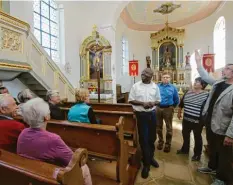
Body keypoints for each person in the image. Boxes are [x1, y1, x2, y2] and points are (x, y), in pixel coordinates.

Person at [17, 98, 92, 185]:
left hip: (31, 173)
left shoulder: (23, 133)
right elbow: (73, 162)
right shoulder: (53, 139)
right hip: (47, 177)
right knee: (84, 167)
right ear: (47, 117)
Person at [195, 50, 233, 185]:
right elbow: (205, 76)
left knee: (225, 154)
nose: (224, 70)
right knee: (213, 147)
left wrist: (230, 134)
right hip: (211, 122)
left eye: (228, 68)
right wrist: (199, 63)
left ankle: (222, 178)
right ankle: (212, 167)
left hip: (224, 126)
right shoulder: (219, 83)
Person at [128, 68, 161, 179]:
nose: (143, 74)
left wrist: (153, 103)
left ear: (151, 76)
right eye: (143, 72)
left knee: (152, 138)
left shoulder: (155, 87)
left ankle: (150, 158)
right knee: (144, 139)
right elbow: (131, 100)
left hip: (152, 114)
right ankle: (146, 164)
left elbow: (158, 100)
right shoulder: (136, 86)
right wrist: (143, 104)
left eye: (146, 73)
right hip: (141, 115)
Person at [176, 77, 208, 161]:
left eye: (197, 82)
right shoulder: (188, 92)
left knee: (197, 137)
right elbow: (181, 104)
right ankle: (185, 150)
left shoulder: (206, 95)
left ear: (202, 85)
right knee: (185, 135)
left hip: (197, 121)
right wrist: (179, 112)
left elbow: (207, 109)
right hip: (186, 119)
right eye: (195, 81)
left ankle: (197, 154)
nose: (195, 82)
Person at [156, 72, 179, 153]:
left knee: (169, 127)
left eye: (167, 77)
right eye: (164, 77)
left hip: (168, 109)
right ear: (161, 78)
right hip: (158, 108)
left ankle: (168, 144)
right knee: (158, 127)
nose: (165, 78)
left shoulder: (173, 87)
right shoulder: (157, 86)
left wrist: (172, 107)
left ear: (170, 78)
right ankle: (160, 141)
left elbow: (176, 99)